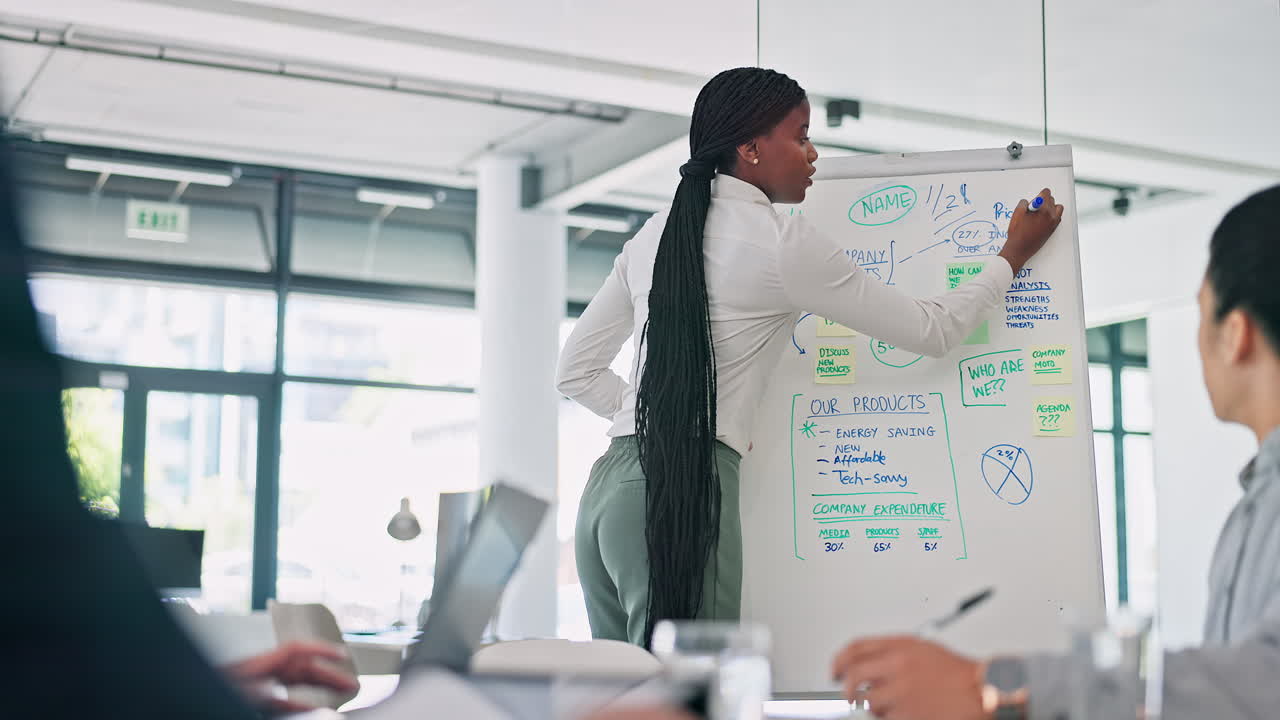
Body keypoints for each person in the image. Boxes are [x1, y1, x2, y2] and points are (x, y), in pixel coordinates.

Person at [556, 66, 1064, 648]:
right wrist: (1011, 254)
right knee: (690, 702)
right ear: (750, 149)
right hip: (680, 493)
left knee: (623, 699)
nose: (813, 153)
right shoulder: (781, 242)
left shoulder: (655, 233)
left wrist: (658, 411)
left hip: (605, 495)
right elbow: (932, 329)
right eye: (800, 136)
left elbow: (575, 371)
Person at [830, 185, 1280, 720]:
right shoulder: (1255, 504)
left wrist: (987, 688)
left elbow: (1262, 682)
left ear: (1235, 334)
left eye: (1201, 314)